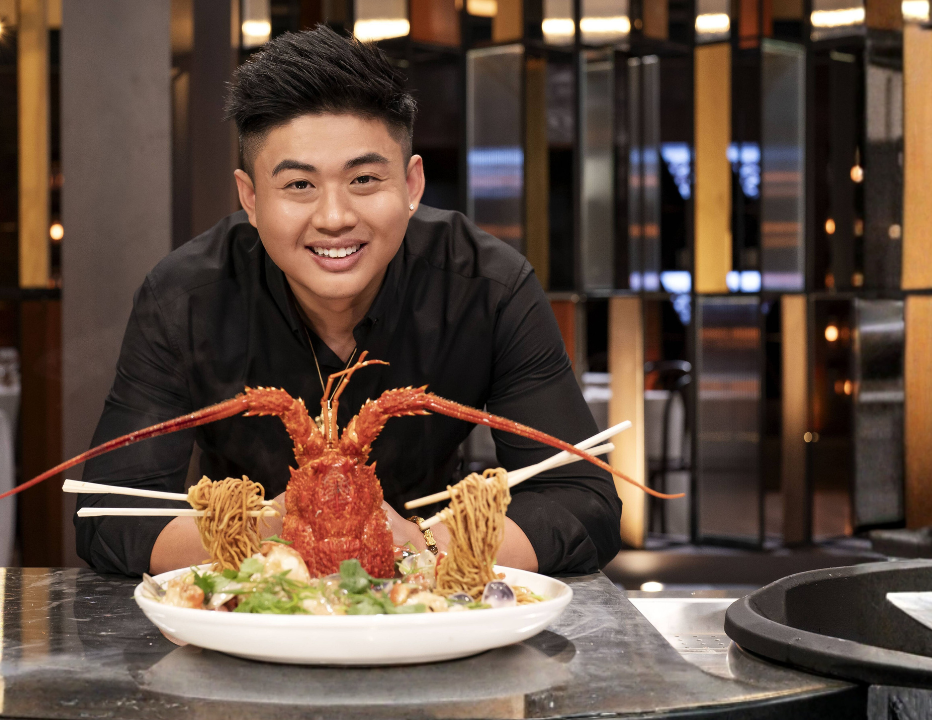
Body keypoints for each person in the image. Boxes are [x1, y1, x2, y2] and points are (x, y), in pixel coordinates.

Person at [76, 26, 620, 577]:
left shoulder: (489, 285)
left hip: (432, 595)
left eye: (363, 178)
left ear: (411, 185)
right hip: (246, 599)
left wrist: (425, 545)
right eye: (298, 186)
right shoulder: (183, 297)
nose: (334, 217)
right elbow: (110, 508)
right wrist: (268, 532)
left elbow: (582, 498)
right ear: (250, 199)